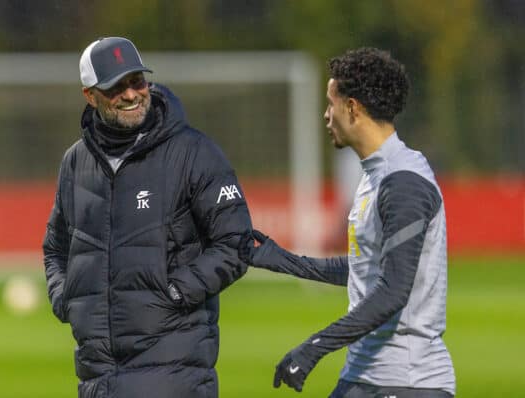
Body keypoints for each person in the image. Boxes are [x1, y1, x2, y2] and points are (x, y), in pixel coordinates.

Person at [240, 47, 456, 397]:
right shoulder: (375, 175)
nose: (326, 116)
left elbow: (393, 290)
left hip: (406, 381)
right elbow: (365, 269)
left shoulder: (404, 182)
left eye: (331, 104)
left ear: (352, 107)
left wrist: (315, 346)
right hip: (366, 376)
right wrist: (288, 262)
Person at [43, 37, 252, 398]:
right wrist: (68, 299)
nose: (131, 94)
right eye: (115, 87)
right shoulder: (75, 163)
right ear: (90, 96)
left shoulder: (193, 152)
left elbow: (236, 243)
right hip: (97, 379)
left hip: (174, 376)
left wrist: (173, 292)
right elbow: (55, 248)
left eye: (136, 81)